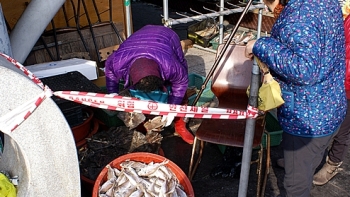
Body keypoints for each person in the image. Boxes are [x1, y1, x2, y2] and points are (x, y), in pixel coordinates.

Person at [244, 0, 347, 196]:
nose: (266, 7)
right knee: (309, 160)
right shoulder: (325, 3)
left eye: (266, 2)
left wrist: (260, 45)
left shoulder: (298, 16)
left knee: (295, 186)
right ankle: (301, 165)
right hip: (330, 106)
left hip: (307, 118)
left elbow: (303, 70)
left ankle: (299, 167)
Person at [104, 25, 194, 144]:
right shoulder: (117, 62)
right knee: (135, 97)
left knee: (179, 91)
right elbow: (109, 72)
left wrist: (173, 108)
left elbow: (181, 83)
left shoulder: (172, 66)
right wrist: (112, 93)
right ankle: (143, 126)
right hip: (139, 40)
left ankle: (180, 125)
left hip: (168, 37)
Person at [312, 5, 350, 186]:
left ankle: (333, 163)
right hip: (336, 79)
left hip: (348, 84)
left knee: (342, 129)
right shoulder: (345, 15)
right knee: (322, 121)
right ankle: (308, 159)